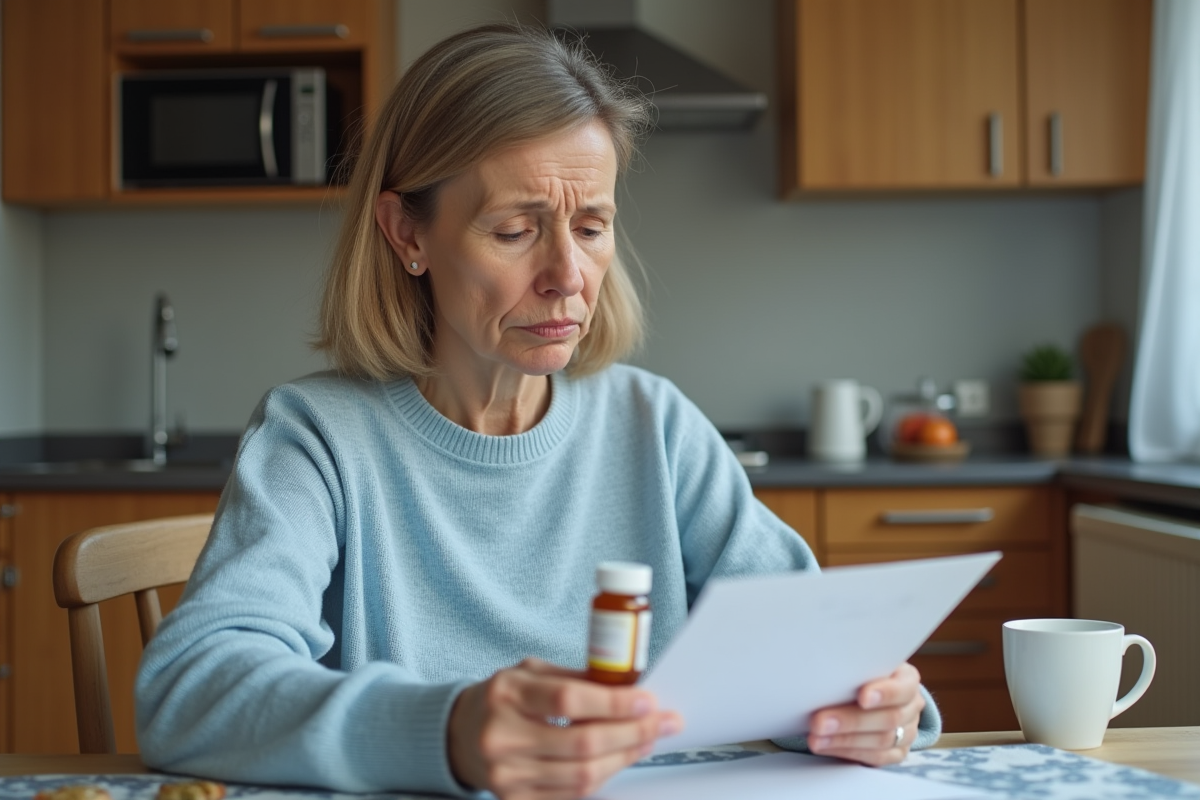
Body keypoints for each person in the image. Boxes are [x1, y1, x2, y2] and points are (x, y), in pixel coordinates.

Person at [135, 22, 940, 800]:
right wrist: (447, 730)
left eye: (592, 227)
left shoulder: (653, 427)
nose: (567, 274)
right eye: (515, 230)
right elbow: (190, 691)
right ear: (406, 232)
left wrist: (870, 712)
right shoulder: (318, 439)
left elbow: (820, 659)